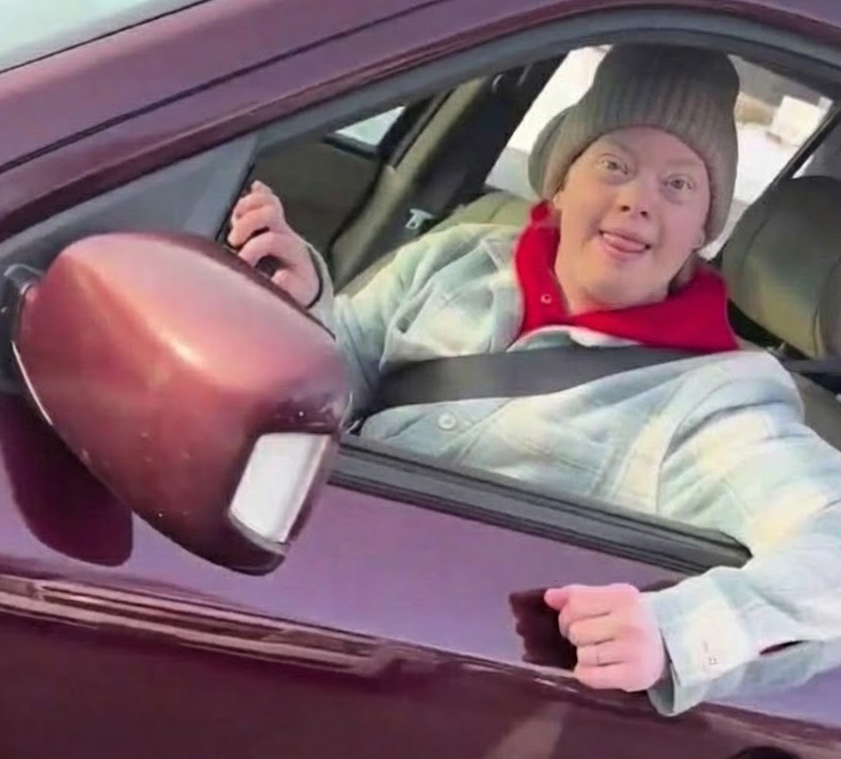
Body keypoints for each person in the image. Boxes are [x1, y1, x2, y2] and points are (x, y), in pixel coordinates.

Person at [227, 44, 841, 716]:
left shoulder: (715, 399)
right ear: (562, 180)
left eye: (678, 186)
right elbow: (338, 377)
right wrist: (305, 306)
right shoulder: (458, 257)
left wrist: (679, 633)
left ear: (702, 229)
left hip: (437, 679)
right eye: (614, 165)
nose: (638, 200)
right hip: (281, 584)